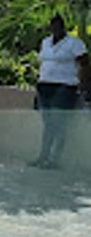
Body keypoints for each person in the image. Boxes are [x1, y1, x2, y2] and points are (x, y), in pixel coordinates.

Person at [30, 15, 90, 169]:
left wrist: (83, 88)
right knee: (48, 124)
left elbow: (84, 65)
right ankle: (43, 157)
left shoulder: (74, 43)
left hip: (65, 86)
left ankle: (55, 159)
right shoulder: (45, 42)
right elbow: (43, 63)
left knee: (59, 123)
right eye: (52, 27)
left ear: (63, 27)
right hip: (45, 85)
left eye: (58, 27)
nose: (55, 30)